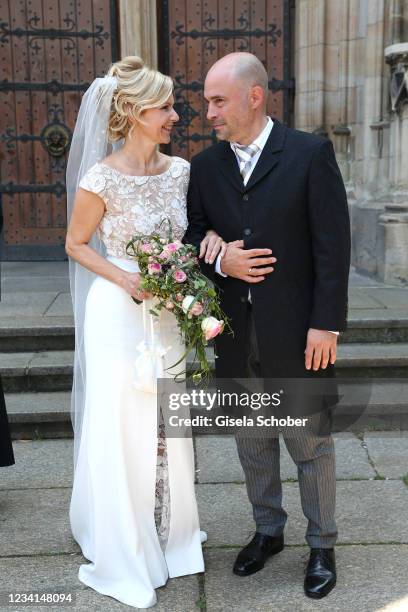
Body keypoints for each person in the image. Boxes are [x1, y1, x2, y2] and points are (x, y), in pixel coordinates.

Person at [184, 52, 351, 599]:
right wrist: (218, 258)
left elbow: (332, 247)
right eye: (207, 101)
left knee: (310, 444)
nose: (208, 111)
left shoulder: (309, 154)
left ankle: (322, 543)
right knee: (252, 441)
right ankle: (268, 531)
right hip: (232, 330)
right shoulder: (205, 167)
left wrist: (326, 324)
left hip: (299, 331)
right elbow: (195, 238)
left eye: (217, 100)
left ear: (254, 96)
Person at [65, 56, 221, 609]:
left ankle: (170, 533)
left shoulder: (181, 172)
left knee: (167, 420)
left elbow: (198, 232)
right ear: (132, 113)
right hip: (118, 311)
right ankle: (124, 544)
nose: (176, 115)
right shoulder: (99, 177)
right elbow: (76, 243)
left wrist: (201, 266)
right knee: (122, 421)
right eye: (165, 106)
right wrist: (127, 278)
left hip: (170, 312)